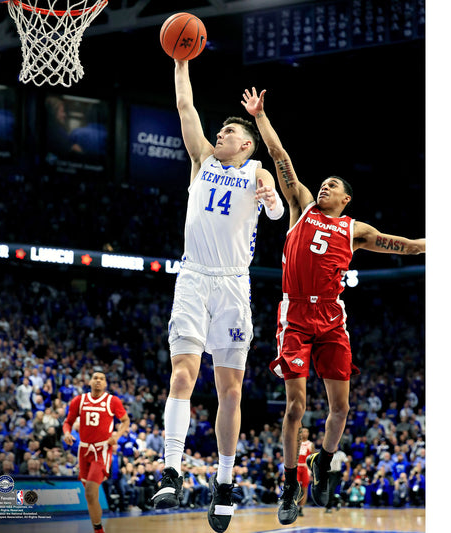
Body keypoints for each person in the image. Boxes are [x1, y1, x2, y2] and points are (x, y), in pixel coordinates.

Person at [241, 87, 425, 524]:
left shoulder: (355, 231)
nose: (325, 186)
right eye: (324, 182)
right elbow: (281, 156)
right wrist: (261, 116)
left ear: (346, 200)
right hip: (296, 316)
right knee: (294, 407)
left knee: (340, 407)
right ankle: (290, 484)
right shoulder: (302, 207)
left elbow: (412, 246)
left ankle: (324, 461)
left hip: (331, 316)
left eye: (334, 186)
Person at [151, 59, 284, 533]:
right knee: (182, 376)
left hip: (232, 283)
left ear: (246, 145)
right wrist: (181, 61)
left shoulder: (257, 172)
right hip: (193, 278)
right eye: (222, 130)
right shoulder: (202, 161)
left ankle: (224, 485)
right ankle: (171, 470)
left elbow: (275, 210)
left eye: (229, 131)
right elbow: (185, 104)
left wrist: (270, 196)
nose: (221, 134)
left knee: (230, 389)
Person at [63, 371, 130, 533]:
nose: (98, 381)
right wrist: (66, 432)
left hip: (102, 450)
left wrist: (117, 435)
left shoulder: (112, 401)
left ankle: (98, 531)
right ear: (90, 381)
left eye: (102, 378)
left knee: (90, 492)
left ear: (106, 384)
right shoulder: (79, 400)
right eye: (95, 378)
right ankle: (98, 528)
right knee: (90, 496)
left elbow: (126, 421)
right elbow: (68, 422)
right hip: (83, 449)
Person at [295, 427, 314, 518]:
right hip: (297, 466)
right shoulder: (296, 443)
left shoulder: (310, 444)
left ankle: (301, 508)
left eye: (306, 431)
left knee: (305, 488)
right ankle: (294, 507)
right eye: (303, 431)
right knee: (296, 488)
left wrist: (312, 471)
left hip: (305, 467)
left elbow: (313, 458)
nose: (304, 433)